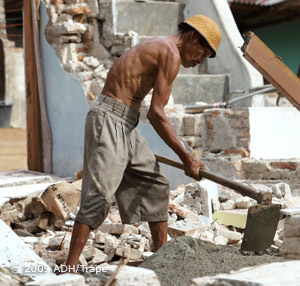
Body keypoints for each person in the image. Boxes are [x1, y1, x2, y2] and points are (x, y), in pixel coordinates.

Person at [65, 14, 222, 272]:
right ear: (193, 37)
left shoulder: (164, 48)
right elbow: (156, 114)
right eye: (202, 54)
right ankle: (68, 270)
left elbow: (149, 112)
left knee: (156, 185)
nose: (199, 60)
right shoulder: (169, 53)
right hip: (109, 118)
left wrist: (186, 157)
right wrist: (187, 158)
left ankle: (161, 261)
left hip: (125, 123)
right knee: (100, 196)